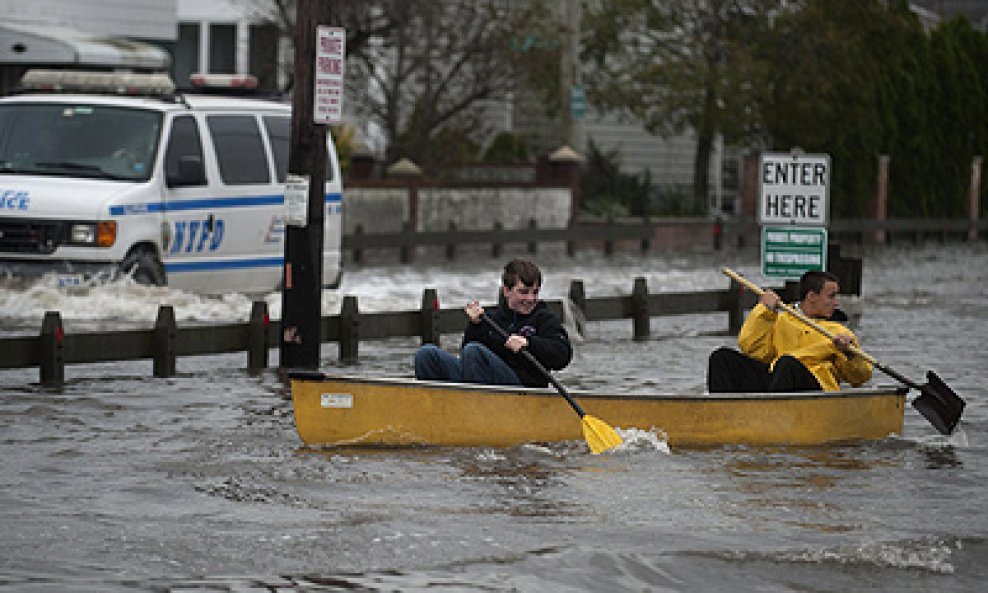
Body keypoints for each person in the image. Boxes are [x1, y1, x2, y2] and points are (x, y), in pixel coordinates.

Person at [414, 258, 572, 387]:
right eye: (523, 292)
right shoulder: (492, 319)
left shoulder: (545, 318)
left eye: (535, 292)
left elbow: (562, 356)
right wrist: (475, 325)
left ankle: (477, 413)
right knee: (426, 354)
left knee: (474, 351)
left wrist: (529, 343)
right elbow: (466, 359)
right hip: (486, 384)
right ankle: (436, 411)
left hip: (523, 389)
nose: (530, 299)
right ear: (506, 291)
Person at [707, 270, 872, 393]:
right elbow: (751, 348)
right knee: (721, 357)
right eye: (831, 296)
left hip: (814, 388)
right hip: (778, 378)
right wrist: (763, 311)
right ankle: (721, 413)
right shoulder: (780, 319)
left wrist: (849, 354)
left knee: (788, 363)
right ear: (811, 296)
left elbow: (860, 377)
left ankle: (775, 418)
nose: (836, 303)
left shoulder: (839, 331)